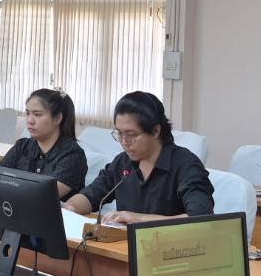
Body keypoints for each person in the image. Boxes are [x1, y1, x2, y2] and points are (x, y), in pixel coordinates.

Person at [64, 91, 212, 224]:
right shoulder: (122, 163)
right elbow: (91, 195)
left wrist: (137, 219)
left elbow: (201, 217)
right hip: (122, 243)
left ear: (155, 131)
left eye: (132, 135)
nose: (124, 142)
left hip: (171, 244)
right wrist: (69, 208)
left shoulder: (186, 165)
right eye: (119, 134)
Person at [0, 89, 88, 200]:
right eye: (27, 113)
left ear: (57, 118)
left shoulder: (72, 155)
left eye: (37, 114)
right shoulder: (22, 146)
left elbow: (44, 195)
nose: (30, 120)